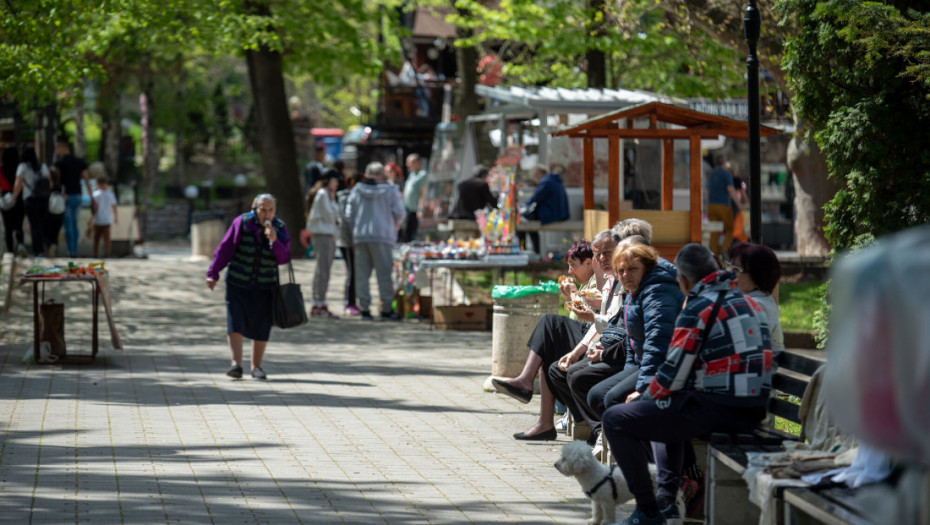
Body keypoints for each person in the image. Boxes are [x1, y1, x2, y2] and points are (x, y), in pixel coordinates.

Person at [602, 243, 773, 525]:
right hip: (753, 408)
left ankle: (648, 511)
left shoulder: (699, 306)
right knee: (664, 406)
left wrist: (644, 394)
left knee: (616, 419)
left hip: (721, 409)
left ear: (682, 280)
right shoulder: (748, 302)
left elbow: (672, 374)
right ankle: (666, 500)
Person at [491, 230, 619, 440]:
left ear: (588, 263)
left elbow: (598, 316)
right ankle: (543, 418)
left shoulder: (611, 278)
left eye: (573, 265)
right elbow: (591, 314)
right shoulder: (599, 279)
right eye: (598, 254)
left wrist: (576, 296)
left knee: (549, 323)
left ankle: (529, 389)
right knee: (549, 343)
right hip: (592, 334)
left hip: (599, 338)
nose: (569, 271)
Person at [206, 194, 291, 380]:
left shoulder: (280, 228)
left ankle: (257, 367)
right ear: (254, 209)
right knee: (235, 321)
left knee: (261, 324)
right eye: (262, 209)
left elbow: (284, 258)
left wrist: (275, 241)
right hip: (238, 281)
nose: (266, 214)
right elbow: (225, 248)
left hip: (266, 285)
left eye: (270, 210)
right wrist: (213, 272)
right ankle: (236, 364)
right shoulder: (242, 223)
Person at [344, 162, 405, 321]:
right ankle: (386, 309)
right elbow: (400, 213)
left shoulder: (357, 190)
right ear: (382, 174)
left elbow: (348, 215)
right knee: (384, 274)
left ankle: (365, 309)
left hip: (361, 236)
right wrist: (394, 226)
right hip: (383, 237)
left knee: (362, 275)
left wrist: (355, 231)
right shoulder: (391, 190)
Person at [728, 242, 784, 359]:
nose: (729, 273)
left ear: (758, 275)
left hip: (753, 373)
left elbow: (746, 353)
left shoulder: (755, 306)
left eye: (736, 269)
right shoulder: (759, 299)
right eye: (729, 266)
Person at [308, 169, 341, 318]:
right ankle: (319, 302)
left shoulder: (328, 195)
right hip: (323, 235)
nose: (337, 183)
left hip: (329, 235)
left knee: (324, 270)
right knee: (322, 270)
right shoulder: (323, 194)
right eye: (335, 180)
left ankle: (319, 301)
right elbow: (330, 216)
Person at [518, 163, 569, 253]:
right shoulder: (553, 180)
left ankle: (524, 251)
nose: (535, 182)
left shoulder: (546, 182)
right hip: (560, 213)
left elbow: (535, 199)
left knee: (522, 223)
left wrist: (520, 207)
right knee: (529, 222)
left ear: (537, 175)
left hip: (553, 214)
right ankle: (535, 251)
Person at [54, 137, 92, 257]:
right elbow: (87, 180)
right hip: (78, 195)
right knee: (74, 223)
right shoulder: (80, 162)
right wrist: (92, 196)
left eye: (56, 148)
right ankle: (74, 249)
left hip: (66, 196)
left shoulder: (59, 163)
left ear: (63, 148)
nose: (55, 151)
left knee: (68, 224)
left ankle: (71, 251)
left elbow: (56, 181)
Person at [11, 145, 51, 257]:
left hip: (30, 199)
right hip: (43, 199)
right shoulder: (42, 166)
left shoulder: (22, 167)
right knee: (41, 224)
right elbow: (50, 182)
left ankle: (36, 251)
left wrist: (14, 197)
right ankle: (45, 247)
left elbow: (18, 183)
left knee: (34, 225)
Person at [706, 154, 743, 259]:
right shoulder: (726, 174)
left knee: (714, 231)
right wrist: (739, 204)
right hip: (723, 205)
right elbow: (730, 189)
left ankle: (714, 253)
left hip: (711, 205)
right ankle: (724, 249)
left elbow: (708, 192)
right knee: (729, 229)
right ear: (724, 163)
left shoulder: (712, 174)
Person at [336, 172, 360, 316]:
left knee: (356, 272)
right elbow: (346, 221)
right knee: (352, 272)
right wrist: (352, 242)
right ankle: (349, 303)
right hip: (347, 241)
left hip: (354, 241)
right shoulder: (345, 197)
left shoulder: (355, 197)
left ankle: (353, 302)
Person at [1, 144, 25, 255]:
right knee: (19, 224)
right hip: (19, 196)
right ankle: (20, 244)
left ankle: (10, 251)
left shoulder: (1, 168)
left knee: (8, 227)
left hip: (5, 197)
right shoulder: (20, 167)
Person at [88, 176, 118, 258]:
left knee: (96, 238)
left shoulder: (95, 194)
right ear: (107, 184)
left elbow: (93, 208)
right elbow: (114, 206)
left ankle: (95, 253)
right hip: (107, 219)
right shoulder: (110, 194)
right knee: (107, 239)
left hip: (97, 219)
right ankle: (107, 253)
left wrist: (90, 219)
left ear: (97, 184)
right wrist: (116, 218)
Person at [402, 153, 429, 243]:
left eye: (409, 162)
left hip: (415, 211)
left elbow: (423, 193)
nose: (407, 165)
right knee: (406, 233)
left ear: (417, 162)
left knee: (413, 235)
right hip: (407, 209)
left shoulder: (422, 175)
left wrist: (420, 209)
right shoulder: (412, 174)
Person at [43, 166, 65, 257]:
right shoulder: (61, 185)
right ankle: (54, 247)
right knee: (55, 234)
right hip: (60, 212)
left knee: (46, 232)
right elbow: (65, 197)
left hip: (49, 211)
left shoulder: (47, 185)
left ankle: (49, 248)